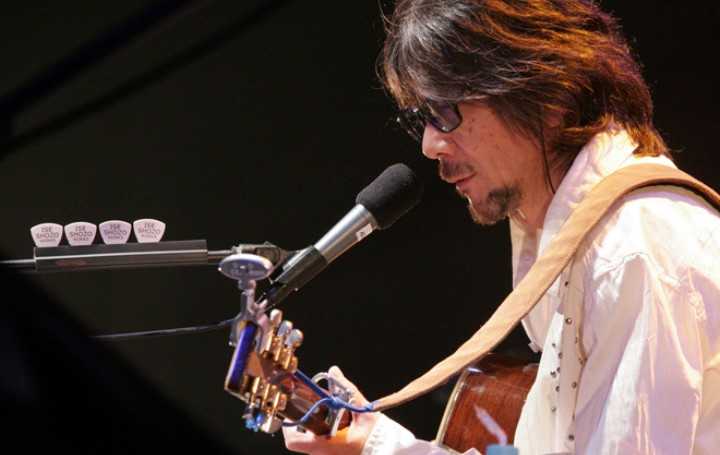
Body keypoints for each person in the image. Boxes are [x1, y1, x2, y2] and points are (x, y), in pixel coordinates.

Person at [284, 1, 720, 454]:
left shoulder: (631, 250)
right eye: (421, 119)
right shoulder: (591, 241)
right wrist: (375, 444)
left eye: (444, 111)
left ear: (545, 94)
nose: (430, 145)